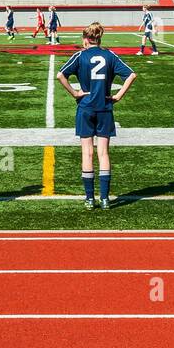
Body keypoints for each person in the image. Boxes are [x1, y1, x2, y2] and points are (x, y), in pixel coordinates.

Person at [56, 21, 137, 211]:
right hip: (104, 108)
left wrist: (75, 93)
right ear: (99, 38)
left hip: (85, 108)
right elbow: (131, 75)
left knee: (87, 153)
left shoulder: (80, 55)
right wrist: (117, 96)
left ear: (85, 39)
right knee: (103, 153)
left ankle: (90, 199)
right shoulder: (109, 55)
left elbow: (61, 75)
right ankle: (106, 199)